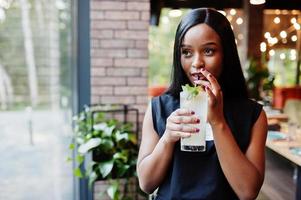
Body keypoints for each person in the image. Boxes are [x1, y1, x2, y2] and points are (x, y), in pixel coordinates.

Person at [137, 8, 268, 200]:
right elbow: (146, 184)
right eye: (187, 52)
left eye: (208, 51)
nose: (197, 62)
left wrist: (218, 122)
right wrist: (167, 138)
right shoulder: (159, 107)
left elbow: (248, 192)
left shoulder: (253, 115)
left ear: (226, 54)